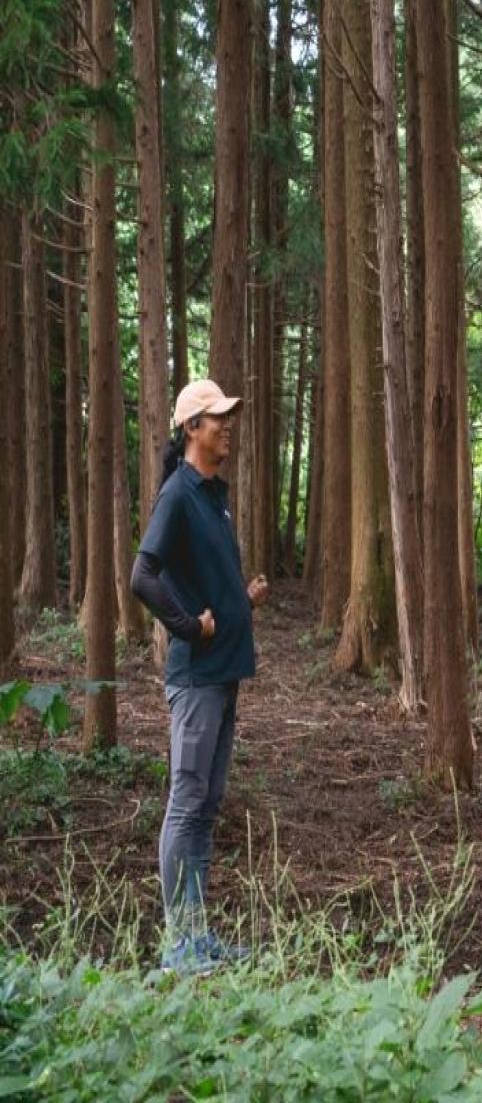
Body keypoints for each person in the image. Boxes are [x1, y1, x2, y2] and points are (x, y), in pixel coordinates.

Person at [131, 379, 269, 975]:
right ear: (192, 429)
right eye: (217, 418)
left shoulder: (214, 495)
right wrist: (189, 626)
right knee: (186, 804)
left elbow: (201, 577)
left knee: (208, 805)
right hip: (196, 680)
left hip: (225, 674)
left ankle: (199, 934)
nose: (227, 426)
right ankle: (178, 945)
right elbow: (145, 575)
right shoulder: (178, 496)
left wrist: (240, 601)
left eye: (229, 417)